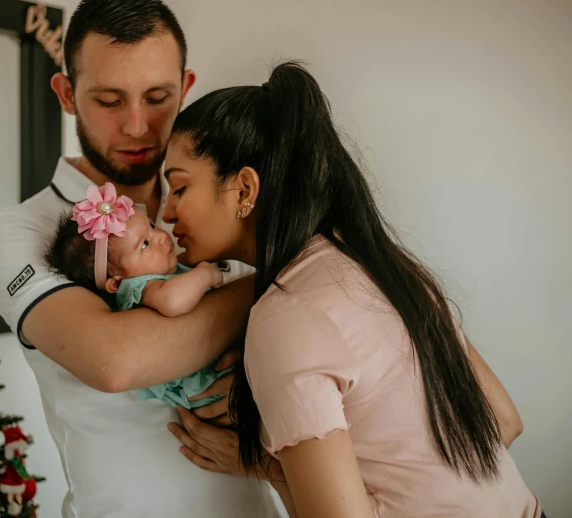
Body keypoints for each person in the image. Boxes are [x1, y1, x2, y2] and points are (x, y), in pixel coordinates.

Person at [161, 61, 545, 517]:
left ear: (244, 189)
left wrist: (268, 465)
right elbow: (504, 422)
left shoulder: (286, 315)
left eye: (179, 187)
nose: (166, 212)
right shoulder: (385, 265)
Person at [0, 0, 281, 517]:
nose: (138, 126)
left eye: (158, 98)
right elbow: (116, 360)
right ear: (67, 93)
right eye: (109, 100)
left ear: (186, 88)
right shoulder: (23, 229)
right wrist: (267, 284)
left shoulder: (226, 204)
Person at [44, 181, 232, 409]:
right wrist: (205, 273)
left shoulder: (156, 273)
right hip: (205, 382)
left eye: (151, 226)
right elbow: (173, 302)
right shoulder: (142, 287)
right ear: (117, 283)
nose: (161, 237)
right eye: (144, 244)